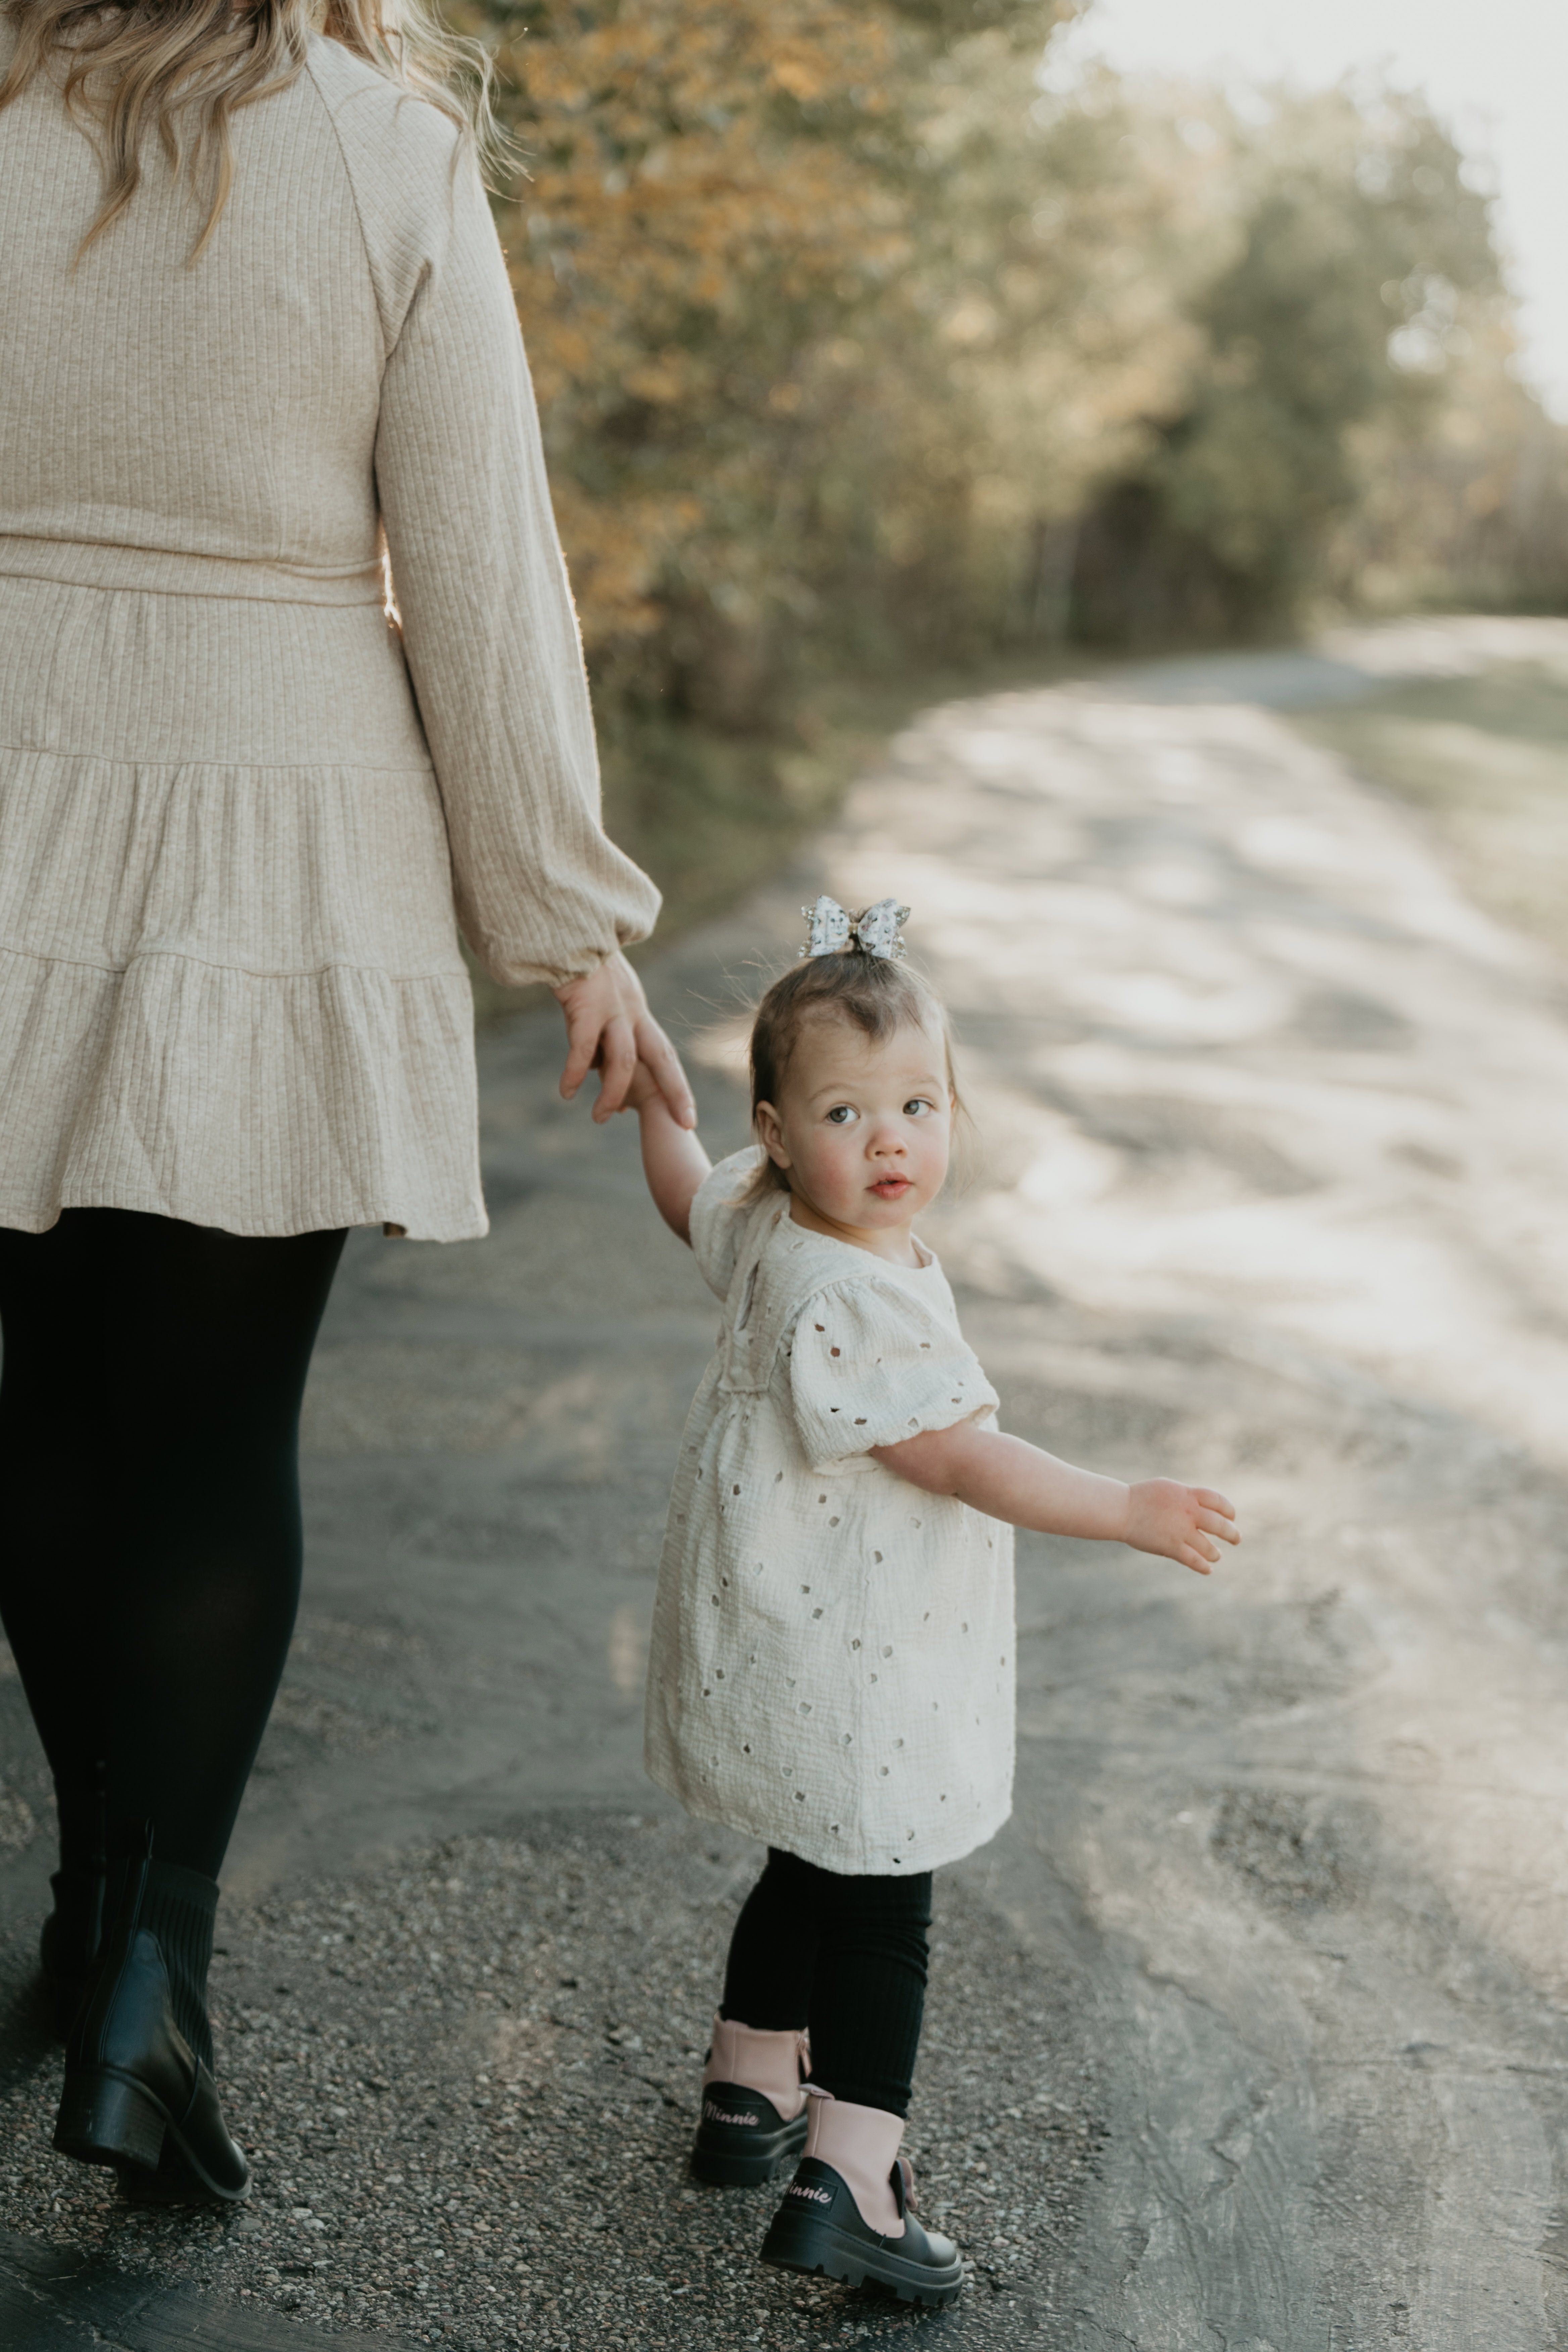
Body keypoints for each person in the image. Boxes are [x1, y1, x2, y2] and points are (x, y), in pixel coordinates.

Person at [0, 0, 691, 2203]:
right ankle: (151, 1972)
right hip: (283, 830)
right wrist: (566, 921)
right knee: (210, 1442)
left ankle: (89, 1908)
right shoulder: (387, 148)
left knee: (43, 1415)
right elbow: (480, 567)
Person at [624, 896, 1239, 2306]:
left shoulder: (762, 1218)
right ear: (781, 1133)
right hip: (865, 1661)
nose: (890, 1140)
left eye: (917, 1104)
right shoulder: (858, 1294)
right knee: (882, 1902)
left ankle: (747, 2082)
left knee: (804, 1854)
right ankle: (854, 2180)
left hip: (781, 1641)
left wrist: (659, 1102)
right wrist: (1125, 1508)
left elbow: (680, 1194)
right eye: (846, 1113)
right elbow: (959, 1457)